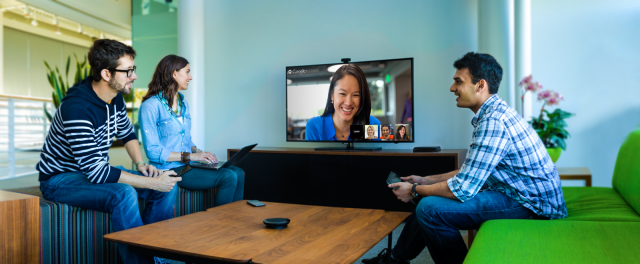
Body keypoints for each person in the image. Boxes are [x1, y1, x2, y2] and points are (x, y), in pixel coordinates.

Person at [363, 52, 567, 264]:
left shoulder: (493, 122)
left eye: (458, 82)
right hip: (521, 194)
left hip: (532, 206)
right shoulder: (493, 113)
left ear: (480, 86)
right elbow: (473, 170)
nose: (452, 88)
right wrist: (425, 181)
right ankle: (395, 259)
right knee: (429, 198)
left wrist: (414, 190)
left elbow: (462, 188)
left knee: (429, 208)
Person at [36, 39, 179, 264]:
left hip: (91, 173)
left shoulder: (115, 99)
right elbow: (96, 173)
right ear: (106, 74)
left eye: (134, 69)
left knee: (166, 184)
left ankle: (160, 256)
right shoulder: (77, 108)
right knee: (124, 193)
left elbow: (128, 134)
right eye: (128, 71)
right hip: (60, 180)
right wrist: (152, 183)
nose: (134, 76)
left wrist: (142, 166)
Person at [139, 55, 244, 206]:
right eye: (187, 72)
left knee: (238, 172)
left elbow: (186, 140)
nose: (191, 77)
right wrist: (192, 157)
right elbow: (153, 152)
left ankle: (236, 220)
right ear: (174, 74)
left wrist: (200, 152)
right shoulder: (151, 106)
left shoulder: (183, 104)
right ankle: (223, 224)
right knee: (228, 177)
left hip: (188, 165)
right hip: (170, 169)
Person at [305, 64, 381, 140]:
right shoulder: (314, 127)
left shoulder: (372, 125)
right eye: (342, 94)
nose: (348, 103)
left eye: (356, 95)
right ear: (332, 95)